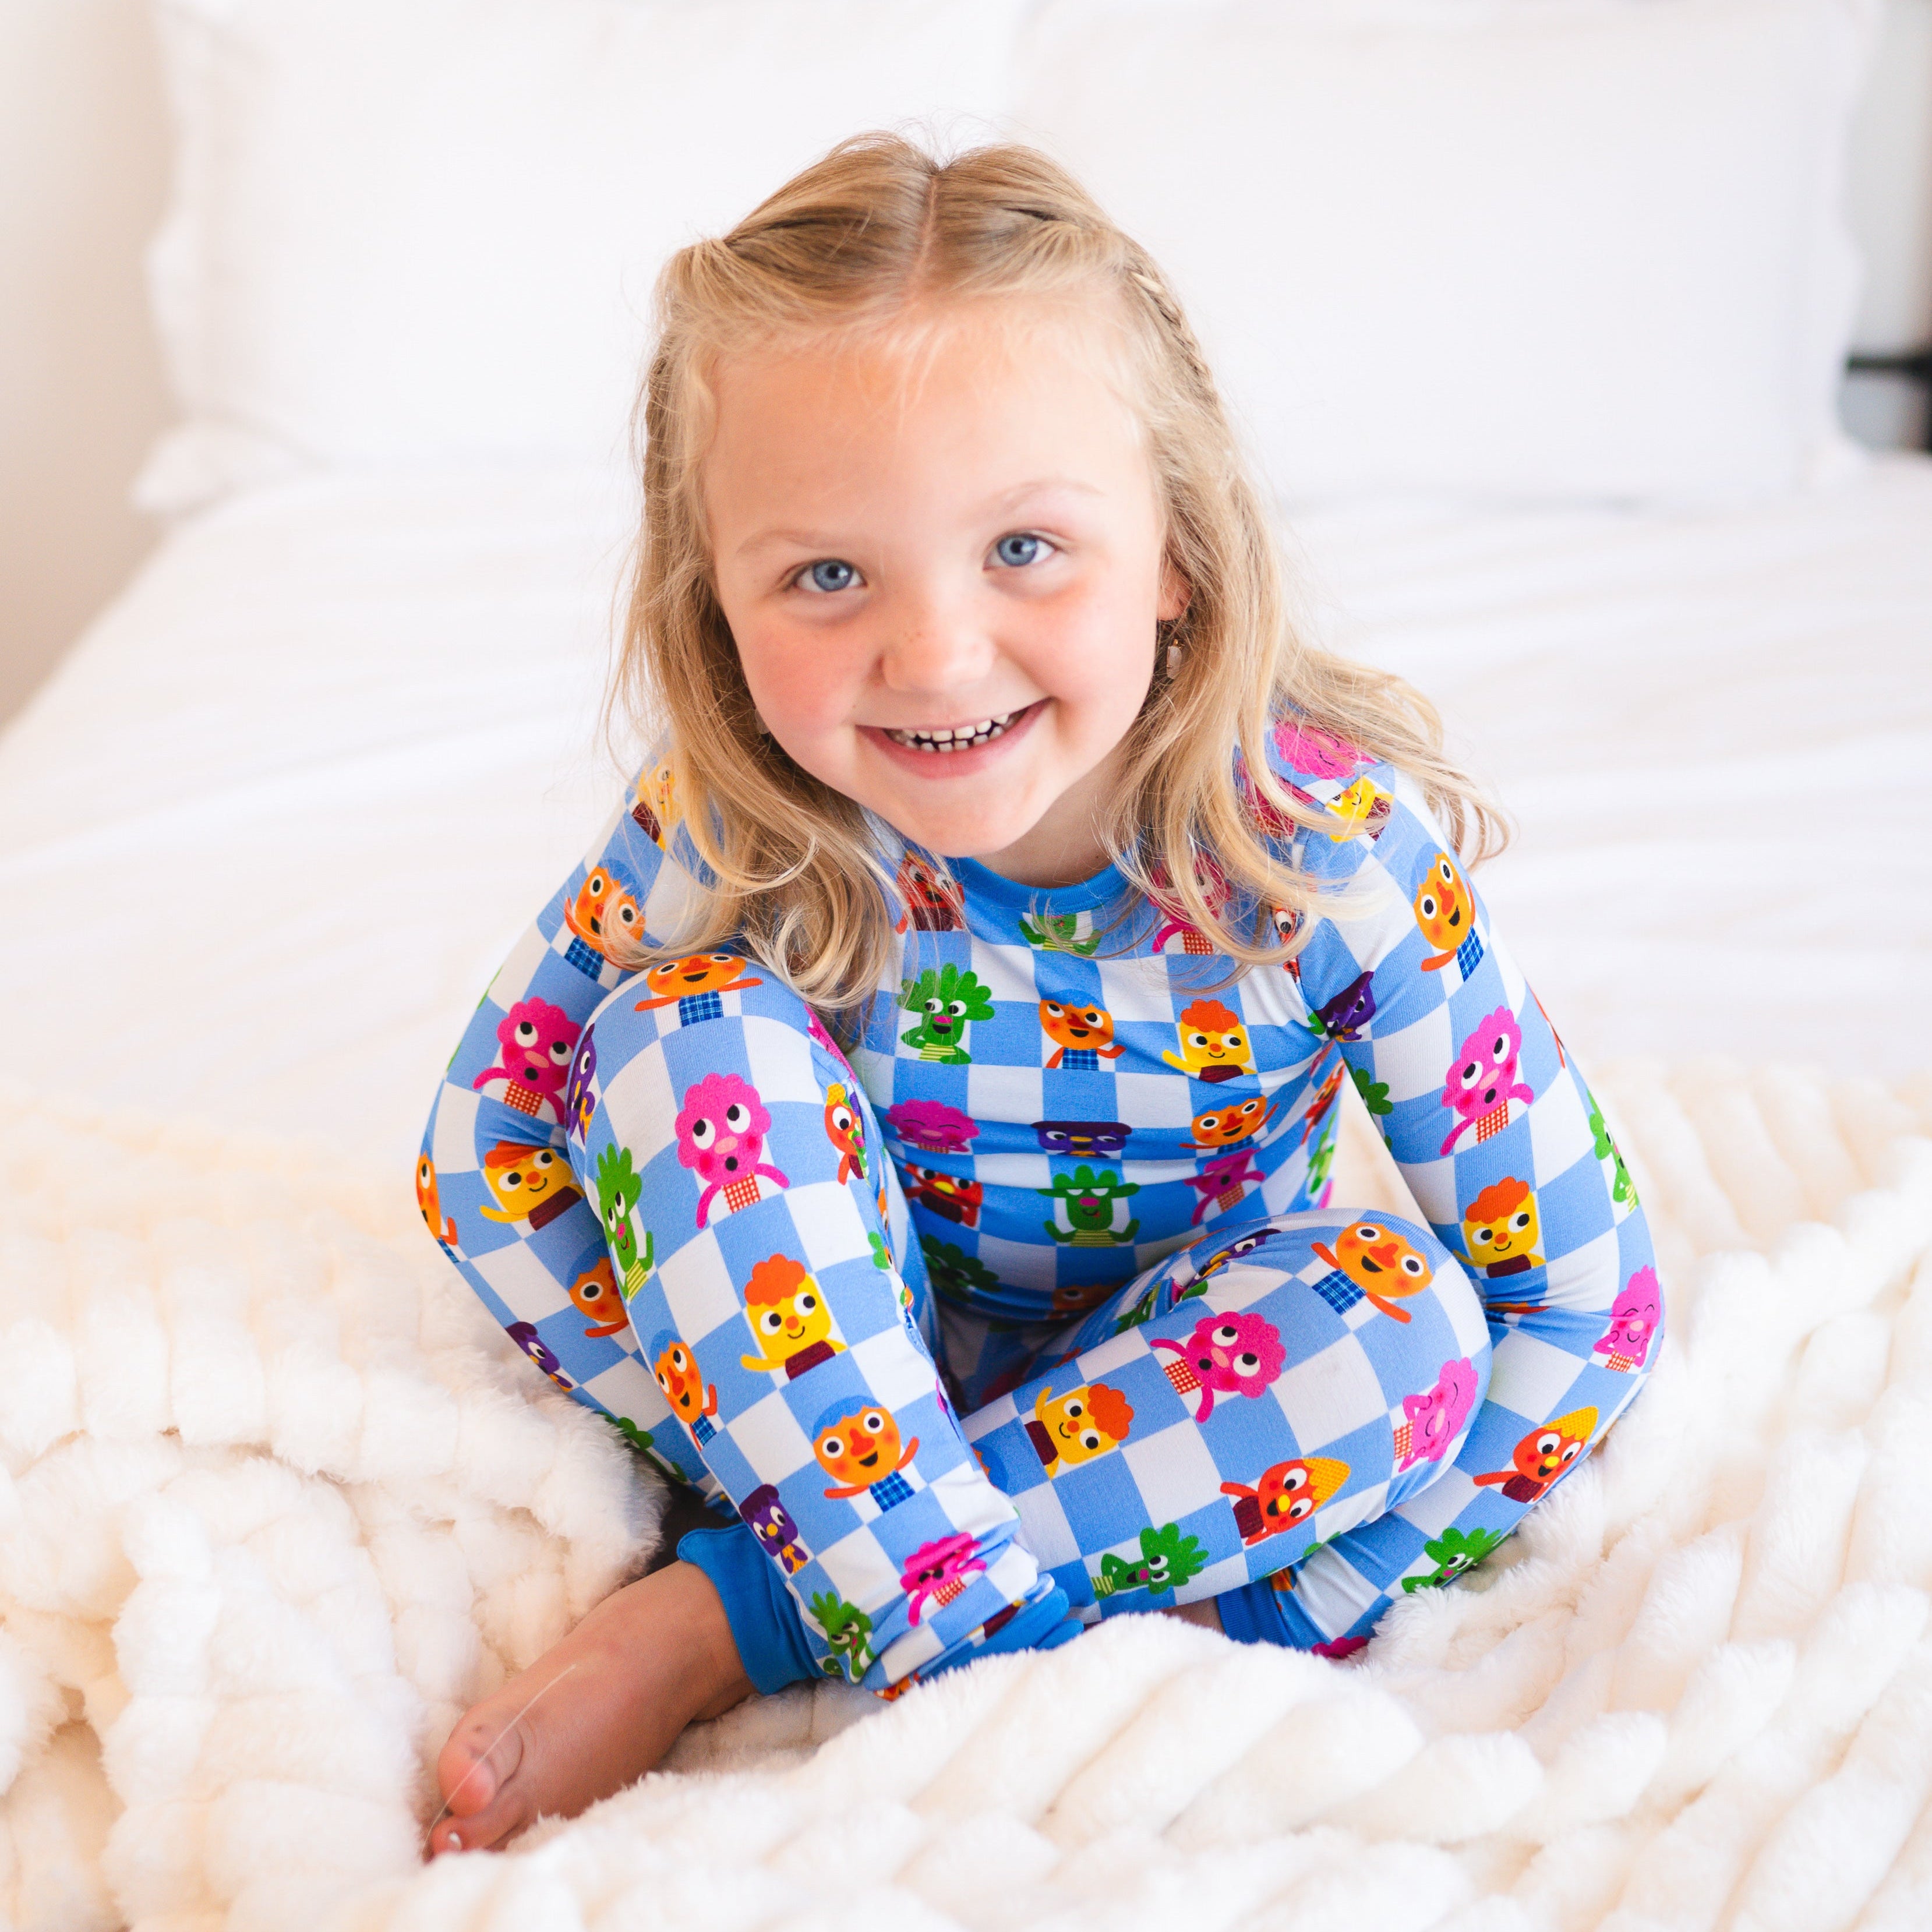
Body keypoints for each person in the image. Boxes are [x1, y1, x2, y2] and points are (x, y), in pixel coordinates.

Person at [418, 134, 1660, 1856]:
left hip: (1183, 1386)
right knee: (676, 1037)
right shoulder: (742, 820)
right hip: (818, 1371)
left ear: (1176, 548)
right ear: (717, 604)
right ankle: (930, 1623)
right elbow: (491, 1156)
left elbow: (1579, 1307)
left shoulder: (1313, 855)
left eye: (1024, 548)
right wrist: (736, 1424)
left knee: (1407, 1324)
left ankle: (756, 1621)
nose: (933, 655)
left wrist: (1313, 1600)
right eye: (826, 576)